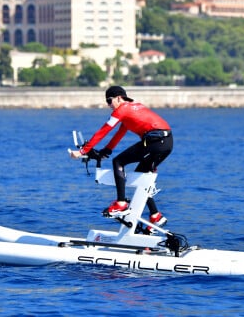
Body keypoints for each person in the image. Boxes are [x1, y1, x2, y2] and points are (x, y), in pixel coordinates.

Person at [69, 86, 173, 230]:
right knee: (140, 179)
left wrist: (82, 151)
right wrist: (106, 151)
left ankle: (121, 203)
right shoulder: (131, 109)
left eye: (109, 101)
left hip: (155, 142)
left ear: (118, 98)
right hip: (166, 143)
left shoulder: (121, 110)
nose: (108, 105)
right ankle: (155, 216)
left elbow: (103, 130)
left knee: (118, 162)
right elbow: (119, 134)